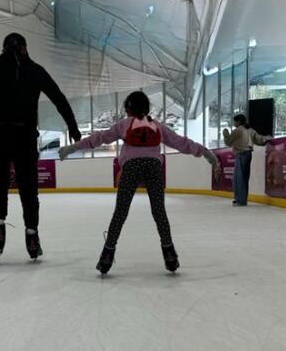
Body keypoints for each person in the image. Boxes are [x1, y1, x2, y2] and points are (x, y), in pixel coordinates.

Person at [58, 91, 220, 276]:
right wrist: (208, 154)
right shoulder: (157, 126)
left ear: (128, 109)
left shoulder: (124, 125)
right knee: (159, 212)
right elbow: (182, 143)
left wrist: (73, 148)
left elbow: (99, 138)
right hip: (153, 167)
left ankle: (107, 257)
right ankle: (170, 256)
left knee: (120, 212)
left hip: (131, 168)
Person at [0, 32, 82, 260]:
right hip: (23, 135)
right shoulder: (35, 70)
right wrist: (73, 128)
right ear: (24, 48)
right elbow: (58, 98)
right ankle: (32, 236)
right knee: (28, 188)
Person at [222, 114, 269, 207]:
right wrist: (267, 138)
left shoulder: (238, 131)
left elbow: (228, 142)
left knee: (239, 178)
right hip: (248, 154)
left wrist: (225, 134)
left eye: (235, 121)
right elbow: (260, 140)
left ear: (238, 121)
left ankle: (240, 200)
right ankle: (241, 199)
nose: (234, 123)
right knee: (244, 177)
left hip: (241, 154)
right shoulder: (250, 130)